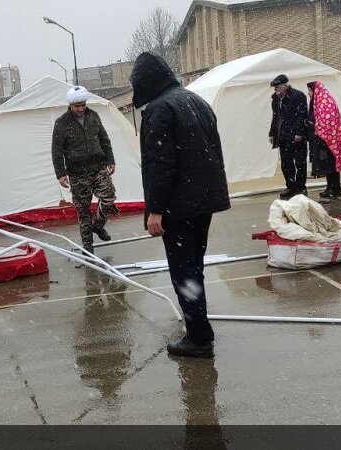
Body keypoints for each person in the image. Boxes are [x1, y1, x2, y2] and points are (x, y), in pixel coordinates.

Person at [131, 51, 230, 359]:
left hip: (179, 206)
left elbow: (160, 164)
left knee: (184, 271)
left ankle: (199, 338)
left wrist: (155, 209)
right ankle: (199, 328)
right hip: (202, 202)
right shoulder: (194, 101)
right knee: (194, 267)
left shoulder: (161, 110)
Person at [50, 85, 117, 254]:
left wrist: (110, 159)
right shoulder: (62, 123)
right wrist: (61, 173)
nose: (80, 109)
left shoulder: (93, 116)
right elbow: (56, 150)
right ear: (71, 106)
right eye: (76, 106)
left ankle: (98, 225)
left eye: (82, 105)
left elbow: (104, 139)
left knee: (108, 198)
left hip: (98, 167)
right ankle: (88, 248)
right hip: (77, 173)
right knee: (83, 210)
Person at [306, 81, 341, 202]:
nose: (309, 93)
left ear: (316, 90)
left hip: (329, 139)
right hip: (325, 138)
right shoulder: (319, 101)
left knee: (331, 164)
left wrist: (319, 130)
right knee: (327, 164)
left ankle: (335, 189)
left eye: (310, 91)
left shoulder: (325, 101)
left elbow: (328, 121)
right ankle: (330, 187)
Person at [269, 74, 311, 200]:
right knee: (286, 163)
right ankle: (290, 186)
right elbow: (276, 118)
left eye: (277, 87)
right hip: (283, 136)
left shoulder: (298, 96)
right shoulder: (276, 100)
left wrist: (299, 132)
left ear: (285, 85)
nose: (275, 89)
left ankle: (301, 187)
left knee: (300, 162)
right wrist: (272, 133)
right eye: (274, 87)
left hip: (296, 136)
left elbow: (302, 115)